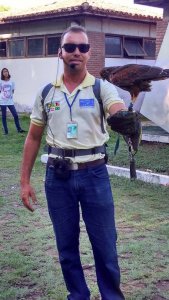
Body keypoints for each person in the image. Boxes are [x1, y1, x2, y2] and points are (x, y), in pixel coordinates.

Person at [20, 25, 139, 300]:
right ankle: (78, 295)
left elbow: (115, 108)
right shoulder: (46, 92)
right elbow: (33, 138)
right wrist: (25, 181)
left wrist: (121, 117)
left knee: (105, 246)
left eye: (82, 48)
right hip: (57, 178)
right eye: (70, 47)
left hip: (94, 175)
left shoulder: (102, 88)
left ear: (89, 53)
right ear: (60, 53)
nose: (76, 52)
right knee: (66, 247)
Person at [0, 68, 26, 135]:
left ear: (8, 73)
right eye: (4, 72)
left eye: (6, 71)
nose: (5, 73)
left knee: (15, 115)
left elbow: (13, 91)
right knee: (4, 116)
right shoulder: (0, 82)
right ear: (2, 73)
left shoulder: (12, 82)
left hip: (10, 101)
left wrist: (9, 96)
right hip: (2, 101)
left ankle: (19, 129)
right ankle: (6, 131)